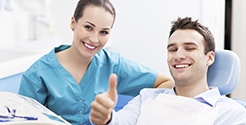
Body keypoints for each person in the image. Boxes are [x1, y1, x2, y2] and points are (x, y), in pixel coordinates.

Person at [18, 0, 174, 125]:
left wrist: (131, 114)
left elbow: (166, 82)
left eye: (103, 32)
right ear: (73, 23)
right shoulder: (37, 75)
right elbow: (21, 121)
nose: (94, 39)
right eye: (88, 27)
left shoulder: (112, 64)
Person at [90, 17, 246, 125]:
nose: (179, 55)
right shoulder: (146, 98)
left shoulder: (232, 114)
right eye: (172, 49)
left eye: (189, 48)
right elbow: (119, 122)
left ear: (210, 58)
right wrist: (106, 117)